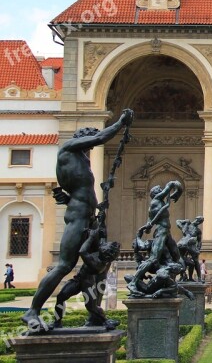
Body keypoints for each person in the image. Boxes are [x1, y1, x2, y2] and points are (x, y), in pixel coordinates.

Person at [22, 109, 133, 331]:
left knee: (100, 267)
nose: (91, 148)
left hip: (88, 216)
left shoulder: (80, 158)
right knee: (64, 265)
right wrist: (120, 123)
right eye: (88, 141)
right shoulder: (68, 148)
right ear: (81, 137)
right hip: (78, 217)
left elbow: (74, 187)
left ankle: (95, 315)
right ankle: (32, 311)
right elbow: (100, 137)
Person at [127, 180, 183, 293]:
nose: (161, 189)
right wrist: (178, 191)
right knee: (153, 259)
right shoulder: (156, 200)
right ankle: (133, 282)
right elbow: (171, 184)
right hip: (162, 232)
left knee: (177, 257)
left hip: (166, 232)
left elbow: (148, 227)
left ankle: (169, 283)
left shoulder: (158, 204)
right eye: (159, 189)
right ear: (156, 193)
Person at [176, 215, 204, 281]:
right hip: (182, 244)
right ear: (196, 219)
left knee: (195, 261)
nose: (198, 222)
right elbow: (177, 222)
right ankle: (183, 276)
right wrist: (184, 221)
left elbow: (199, 241)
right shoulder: (187, 224)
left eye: (200, 222)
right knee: (181, 259)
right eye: (198, 220)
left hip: (191, 246)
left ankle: (197, 278)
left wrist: (198, 248)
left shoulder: (198, 230)